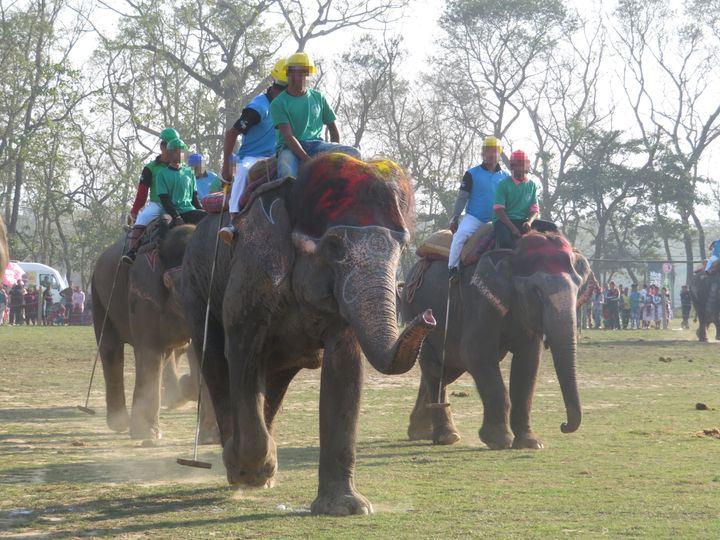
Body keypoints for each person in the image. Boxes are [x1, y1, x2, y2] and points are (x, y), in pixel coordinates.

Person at [218, 59, 289, 243]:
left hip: (277, 155)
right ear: (279, 87)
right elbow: (232, 133)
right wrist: (226, 165)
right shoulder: (258, 108)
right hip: (253, 157)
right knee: (243, 171)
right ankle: (233, 221)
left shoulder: (287, 106)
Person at [271, 51, 360, 179]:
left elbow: (332, 127)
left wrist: (335, 159)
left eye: (305, 72)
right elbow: (288, 136)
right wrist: (307, 159)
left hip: (317, 145)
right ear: (288, 73)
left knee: (354, 153)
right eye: (297, 71)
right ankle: (282, 198)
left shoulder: (319, 97)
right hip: (289, 148)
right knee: (287, 175)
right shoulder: (278, 103)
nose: (302, 76)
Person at [447, 136, 509, 282]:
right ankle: (453, 269)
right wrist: (455, 217)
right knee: (459, 236)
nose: (492, 154)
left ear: (499, 153)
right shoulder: (471, 174)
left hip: (497, 220)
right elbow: (462, 197)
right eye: (488, 151)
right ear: (483, 153)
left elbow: (509, 202)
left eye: (495, 151)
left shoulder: (506, 177)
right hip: (475, 218)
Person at [122, 127, 178, 263]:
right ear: (162, 146)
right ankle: (132, 252)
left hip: (178, 204)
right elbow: (142, 195)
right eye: (170, 147)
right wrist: (134, 212)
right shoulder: (150, 168)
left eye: (175, 148)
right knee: (143, 219)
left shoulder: (182, 168)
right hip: (157, 205)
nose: (173, 151)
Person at [492, 150, 556, 249]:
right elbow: (499, 210)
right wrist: (513, 229)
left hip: (523, 222)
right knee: (505, 241)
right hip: (504, 222)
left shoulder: (531, 185)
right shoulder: (503, 184)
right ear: (512, 166)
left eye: (523, 164)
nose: (521, 167)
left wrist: (529, 222)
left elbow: (534, 210)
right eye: (517, 164)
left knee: (553, 228)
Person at [155, 138, 207, 226]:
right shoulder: (162, 174)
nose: (180, 154)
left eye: (182, 151)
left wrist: (203, 210)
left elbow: (194, 198)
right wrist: (176, 217)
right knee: (164, 222)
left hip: (189, 210)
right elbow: (165, 200)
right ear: (169, 154)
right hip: (170, 213)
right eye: (176, 151)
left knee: (207, 218)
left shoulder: (189, 172)